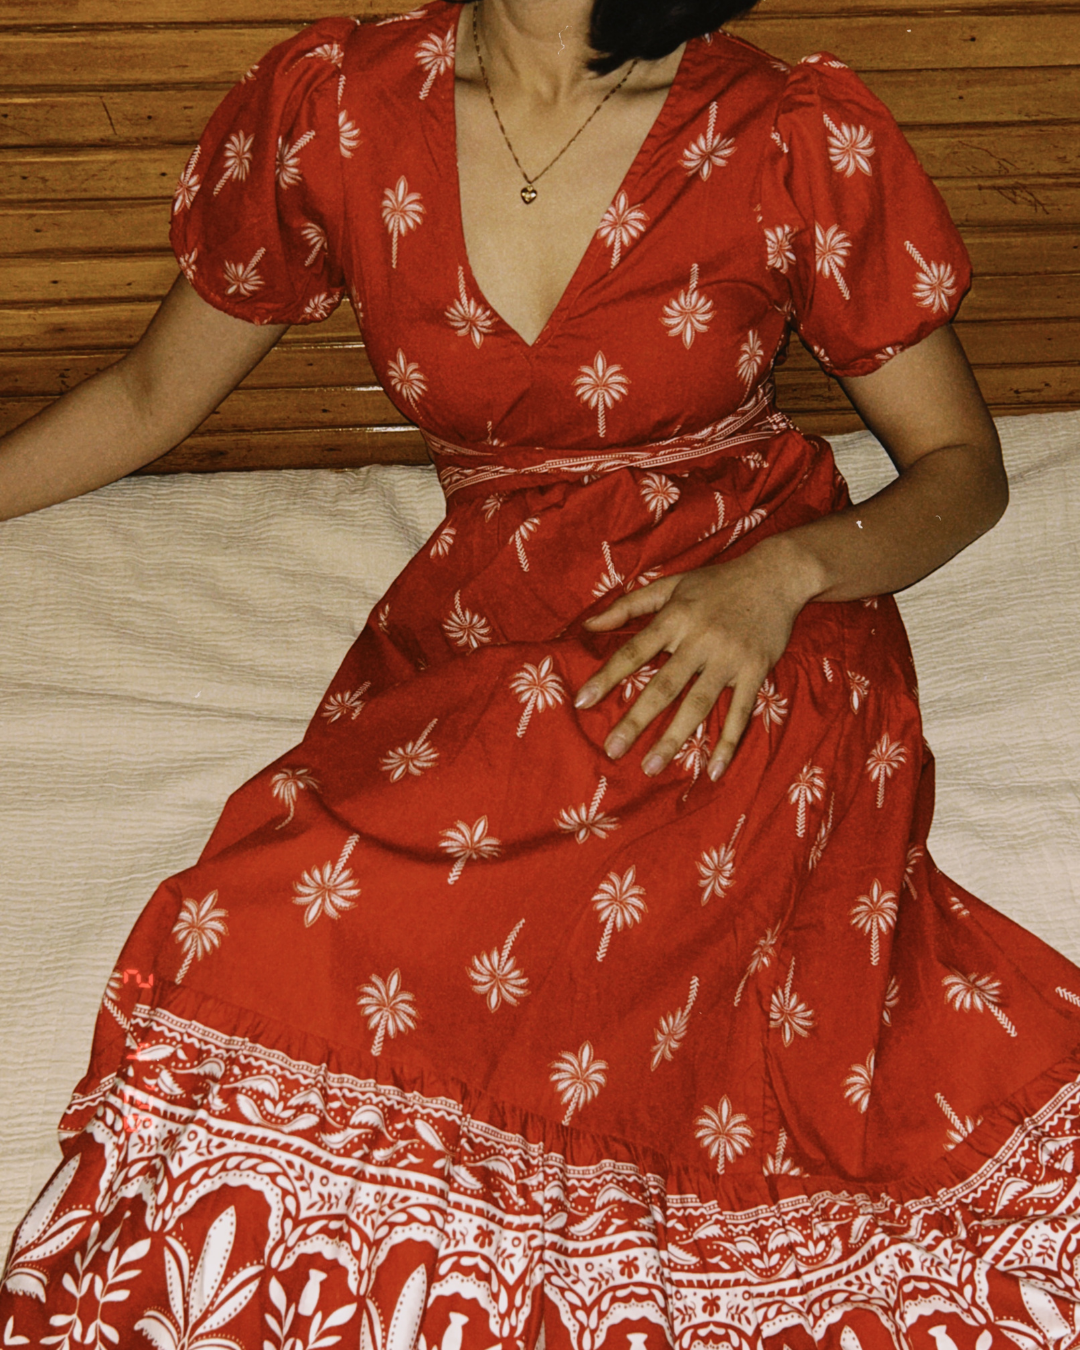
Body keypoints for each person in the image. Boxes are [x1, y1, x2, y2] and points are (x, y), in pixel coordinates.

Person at [2, 0, 1079, 1345]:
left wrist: (786, 575)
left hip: (741, 609)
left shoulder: (784, 133)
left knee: (415, 917)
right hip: (486, 619)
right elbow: (149, 396)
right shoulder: (336, 108)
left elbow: (963, 469)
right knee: (271, 911)